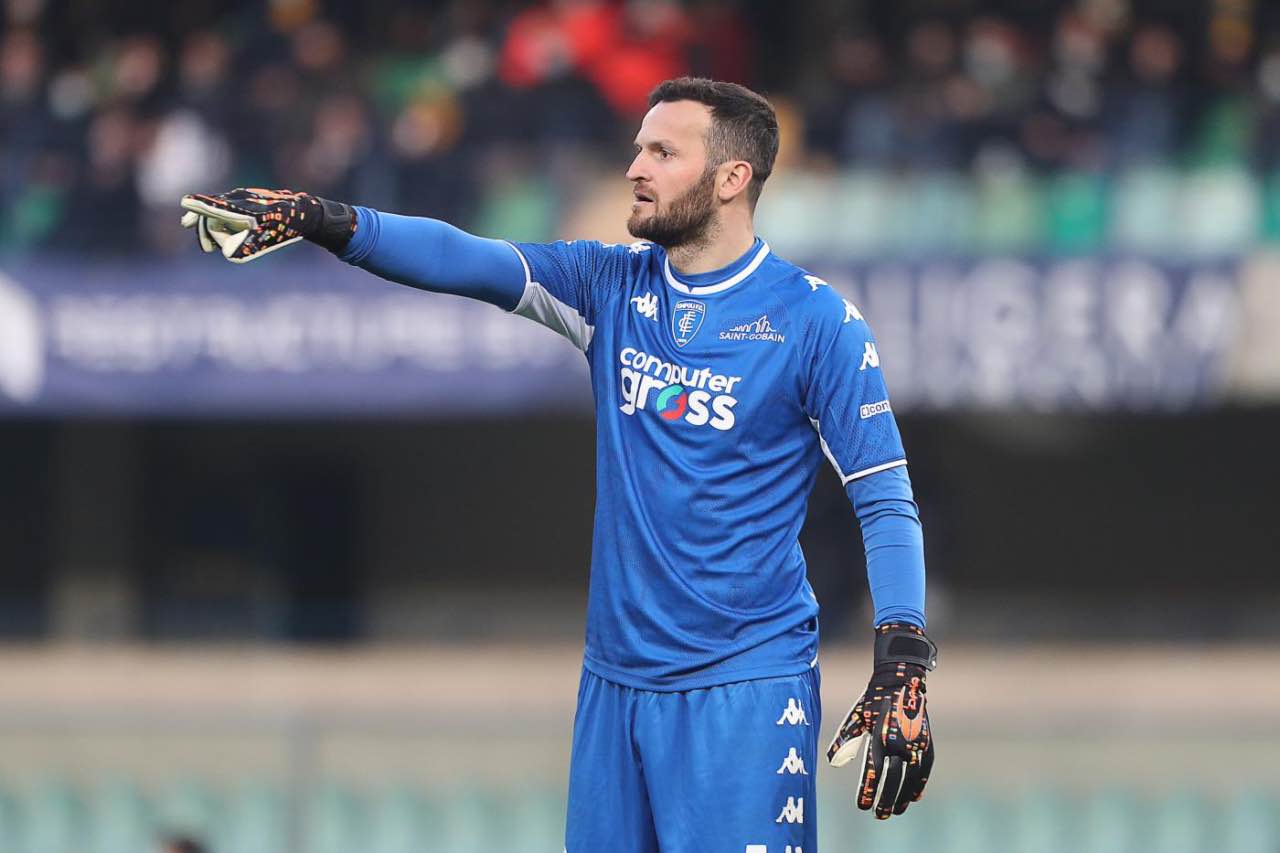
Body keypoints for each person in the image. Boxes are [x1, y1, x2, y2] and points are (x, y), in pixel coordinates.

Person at [180, 76, 936, 853]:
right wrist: (328, 219)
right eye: (638, 148)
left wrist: (902, 658)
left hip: (744, 686)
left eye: (663, 152)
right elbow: (465, 258)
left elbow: (884, 499)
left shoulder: (816, 321)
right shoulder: (608, 285)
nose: (635, 167)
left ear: (731, 178)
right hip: (614, 683)